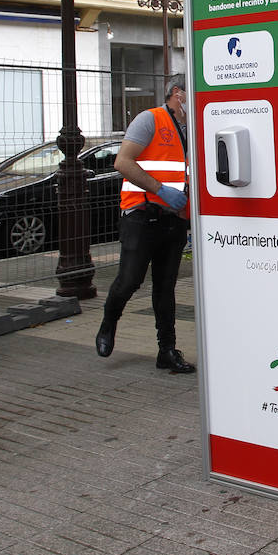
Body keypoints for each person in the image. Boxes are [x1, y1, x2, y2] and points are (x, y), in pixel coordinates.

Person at [95, 75, 196, 374]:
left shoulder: (193, 128)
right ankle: (108, 324)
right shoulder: (149, 120)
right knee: (129, 281)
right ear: (177, 93)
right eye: (192, 92)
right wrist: (159, 189)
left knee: (165, 288)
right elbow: (123, 162)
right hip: (142, 215)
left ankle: (167, 350)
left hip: (174, 220)